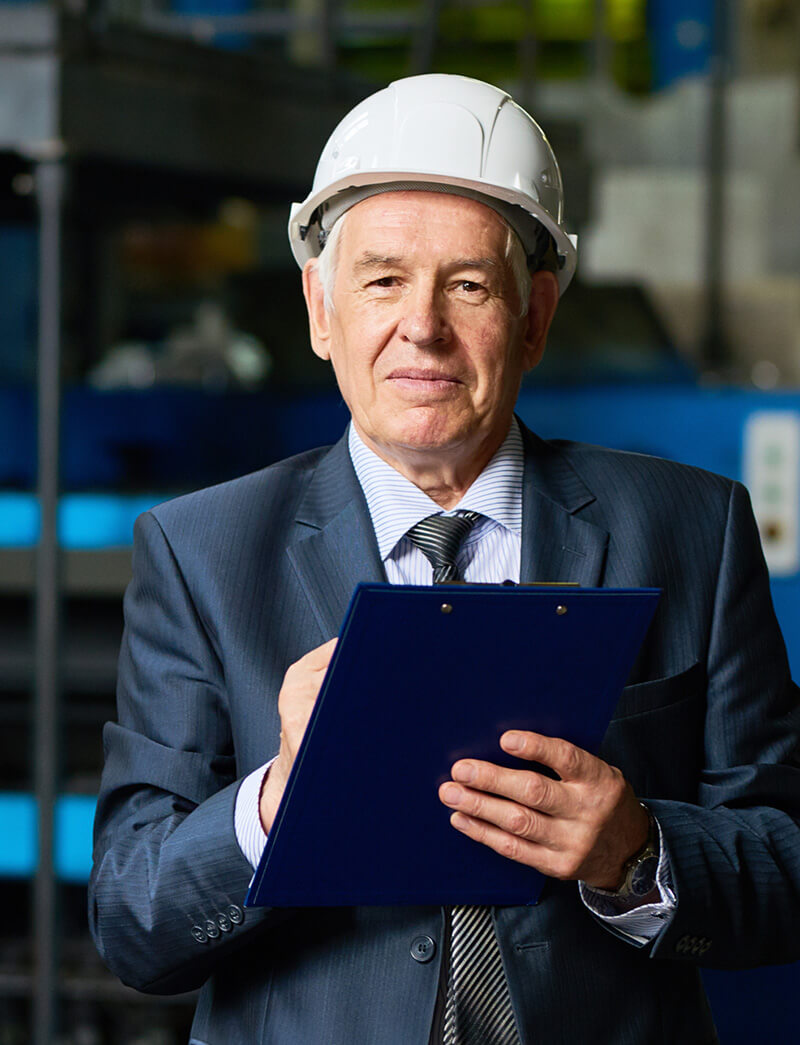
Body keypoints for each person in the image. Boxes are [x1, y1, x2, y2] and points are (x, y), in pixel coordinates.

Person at [89, 74, 800, 1044]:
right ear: (320, 308)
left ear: (535, 315)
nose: (419, 326)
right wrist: (276, 800)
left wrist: (636, 854)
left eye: (466, 285)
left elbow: (785, 861)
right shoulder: (202, 554)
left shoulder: (691, 530)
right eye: (381, 279)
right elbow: (134, 922)